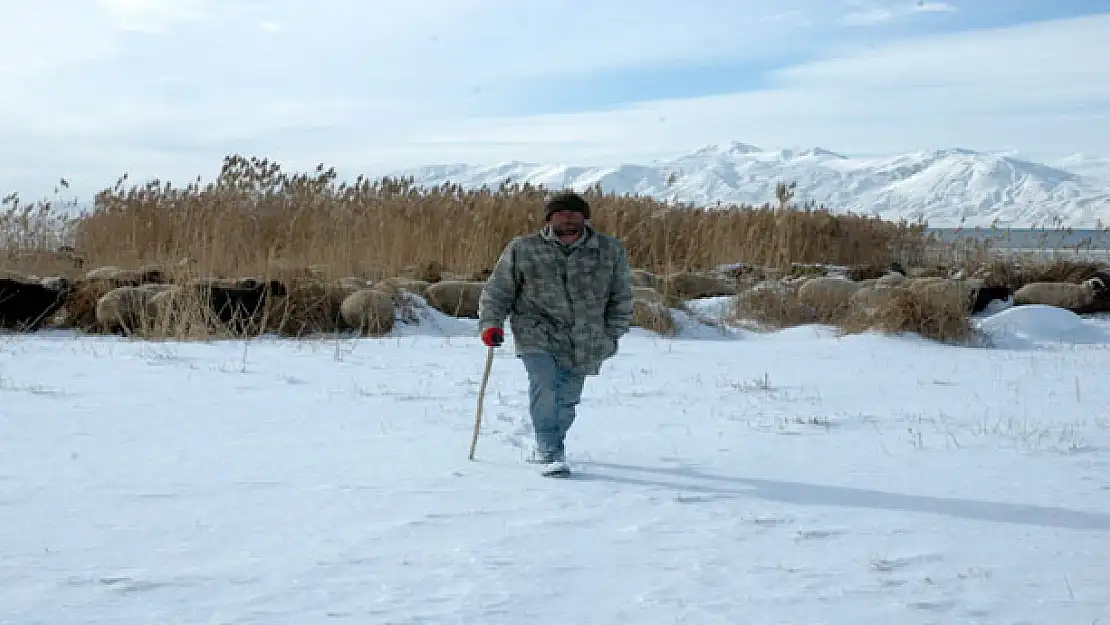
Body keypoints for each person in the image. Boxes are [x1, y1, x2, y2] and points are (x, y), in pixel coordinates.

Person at [477, 190, 634, 476]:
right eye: (561, 213)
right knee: (545, 382)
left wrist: (612, 334)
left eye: (574, 213)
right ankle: (548, 448)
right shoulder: (523, 248)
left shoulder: (609, 250)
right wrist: (491, 324)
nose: (568, 218)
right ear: (550, 218)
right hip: (536, 329)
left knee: (568, 397)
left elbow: (621, 296)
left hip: (586, 336)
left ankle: (552, 438)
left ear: (585, 217)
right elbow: (498, 291)